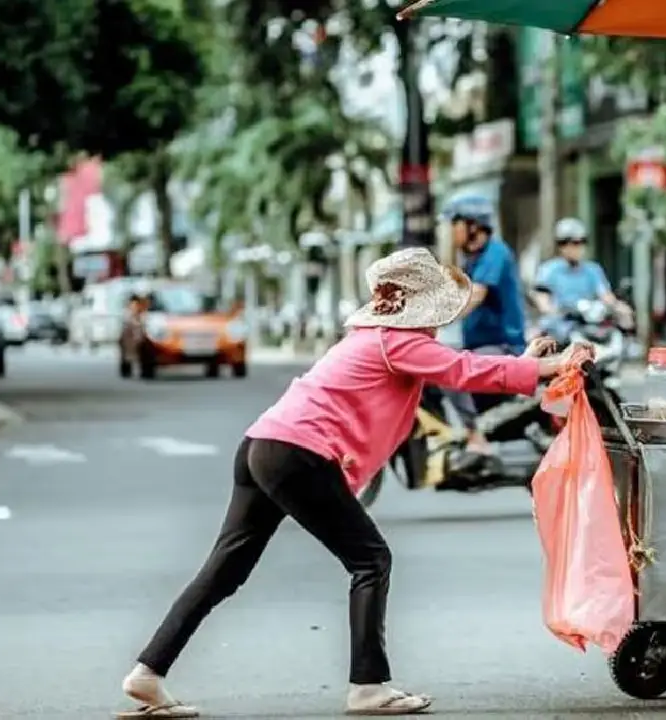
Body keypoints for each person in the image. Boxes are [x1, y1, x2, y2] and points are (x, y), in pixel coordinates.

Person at [117, 248, 590, 719]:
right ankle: (369, 686)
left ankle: (148, 673)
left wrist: (527, 363)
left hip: (263, 444)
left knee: (224, 570)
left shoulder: (377, 337)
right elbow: (463, 371)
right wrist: (547, 367)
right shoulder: (397, 341)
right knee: (370, 558)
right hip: (297, 454)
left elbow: (456, 369)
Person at [439, 194, 529, 456]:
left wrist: (435, 319)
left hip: (504, 347)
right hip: (479, 347)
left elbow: (476, 294)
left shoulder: (495, 253)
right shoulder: (471, 259)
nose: (450, 232)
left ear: (472, 226)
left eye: (453, 225)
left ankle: (475, 437)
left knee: (448, 370)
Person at [532, 217, 632, 342]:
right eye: (570, 243)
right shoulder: (549, 270)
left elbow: (605, 295)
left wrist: (619, 307)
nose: (576, 247)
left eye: (580, 242)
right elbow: (542, 297)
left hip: (587, 322)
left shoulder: (593, 270)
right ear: (561, 245)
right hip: (558, 324)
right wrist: (550, 309)